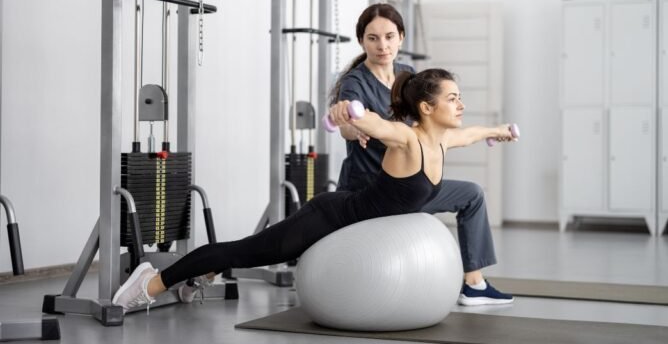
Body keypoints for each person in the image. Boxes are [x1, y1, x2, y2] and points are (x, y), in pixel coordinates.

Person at [111, 68, 516, 312]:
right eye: (453, 99)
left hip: (357, 226)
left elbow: (472, 133)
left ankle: (203, 273)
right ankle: (150, 283)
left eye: (460, 98)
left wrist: (499, 132)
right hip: (331, 217)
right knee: (247, 252)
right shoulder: (406, 139)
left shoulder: (441, 142)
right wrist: (348, 113)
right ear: (427, 108)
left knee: (241, 254)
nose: (460, 106)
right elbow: (376, 124)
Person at [328, 3, 516, 306]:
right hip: (368, 187)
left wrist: (492, 131)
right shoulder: (355, 82)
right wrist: (354, 127)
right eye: (373, 38)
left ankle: (474, 284)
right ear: (361, 41)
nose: (382, 45)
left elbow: (432, 126)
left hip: (408, 185)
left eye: (389, 36)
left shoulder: (407, 76)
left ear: (401, 37)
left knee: (472, 194)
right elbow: (348, 125)